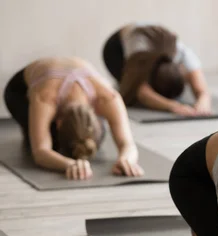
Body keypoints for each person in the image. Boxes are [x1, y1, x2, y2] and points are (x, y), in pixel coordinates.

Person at [3, 57, 144, 180]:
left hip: (65, 79)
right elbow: (40, 152)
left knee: (85, 136)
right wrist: (69, 164)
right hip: (19, 90)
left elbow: (128, 144)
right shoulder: (46, 98)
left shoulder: (108, 97)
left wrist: (126, 159)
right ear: (58, 123)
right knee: (52, 142)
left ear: (96, 115)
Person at [102, 23, 211, 116]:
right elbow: (142, 93)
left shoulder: (184, 55)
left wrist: (203, 102)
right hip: (117, 47)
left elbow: (202, 89)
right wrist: (172, 106)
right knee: (130, 88)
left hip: (153, 40)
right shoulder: (139, 56)